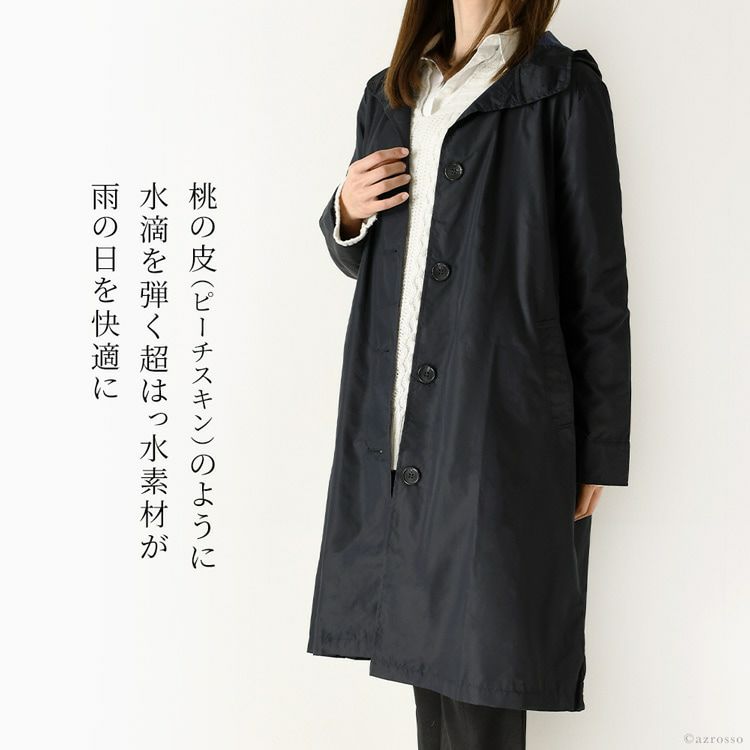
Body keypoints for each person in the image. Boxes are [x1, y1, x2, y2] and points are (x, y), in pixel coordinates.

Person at [307, 0, 631, 747]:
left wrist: (599, 448)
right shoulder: (392, 92)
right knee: (426, 678)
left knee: (483, 668)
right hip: (396, 422)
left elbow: (598, 281)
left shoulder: (561, 87)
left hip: (496, 422)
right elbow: (369, 255)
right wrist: (344, 212)